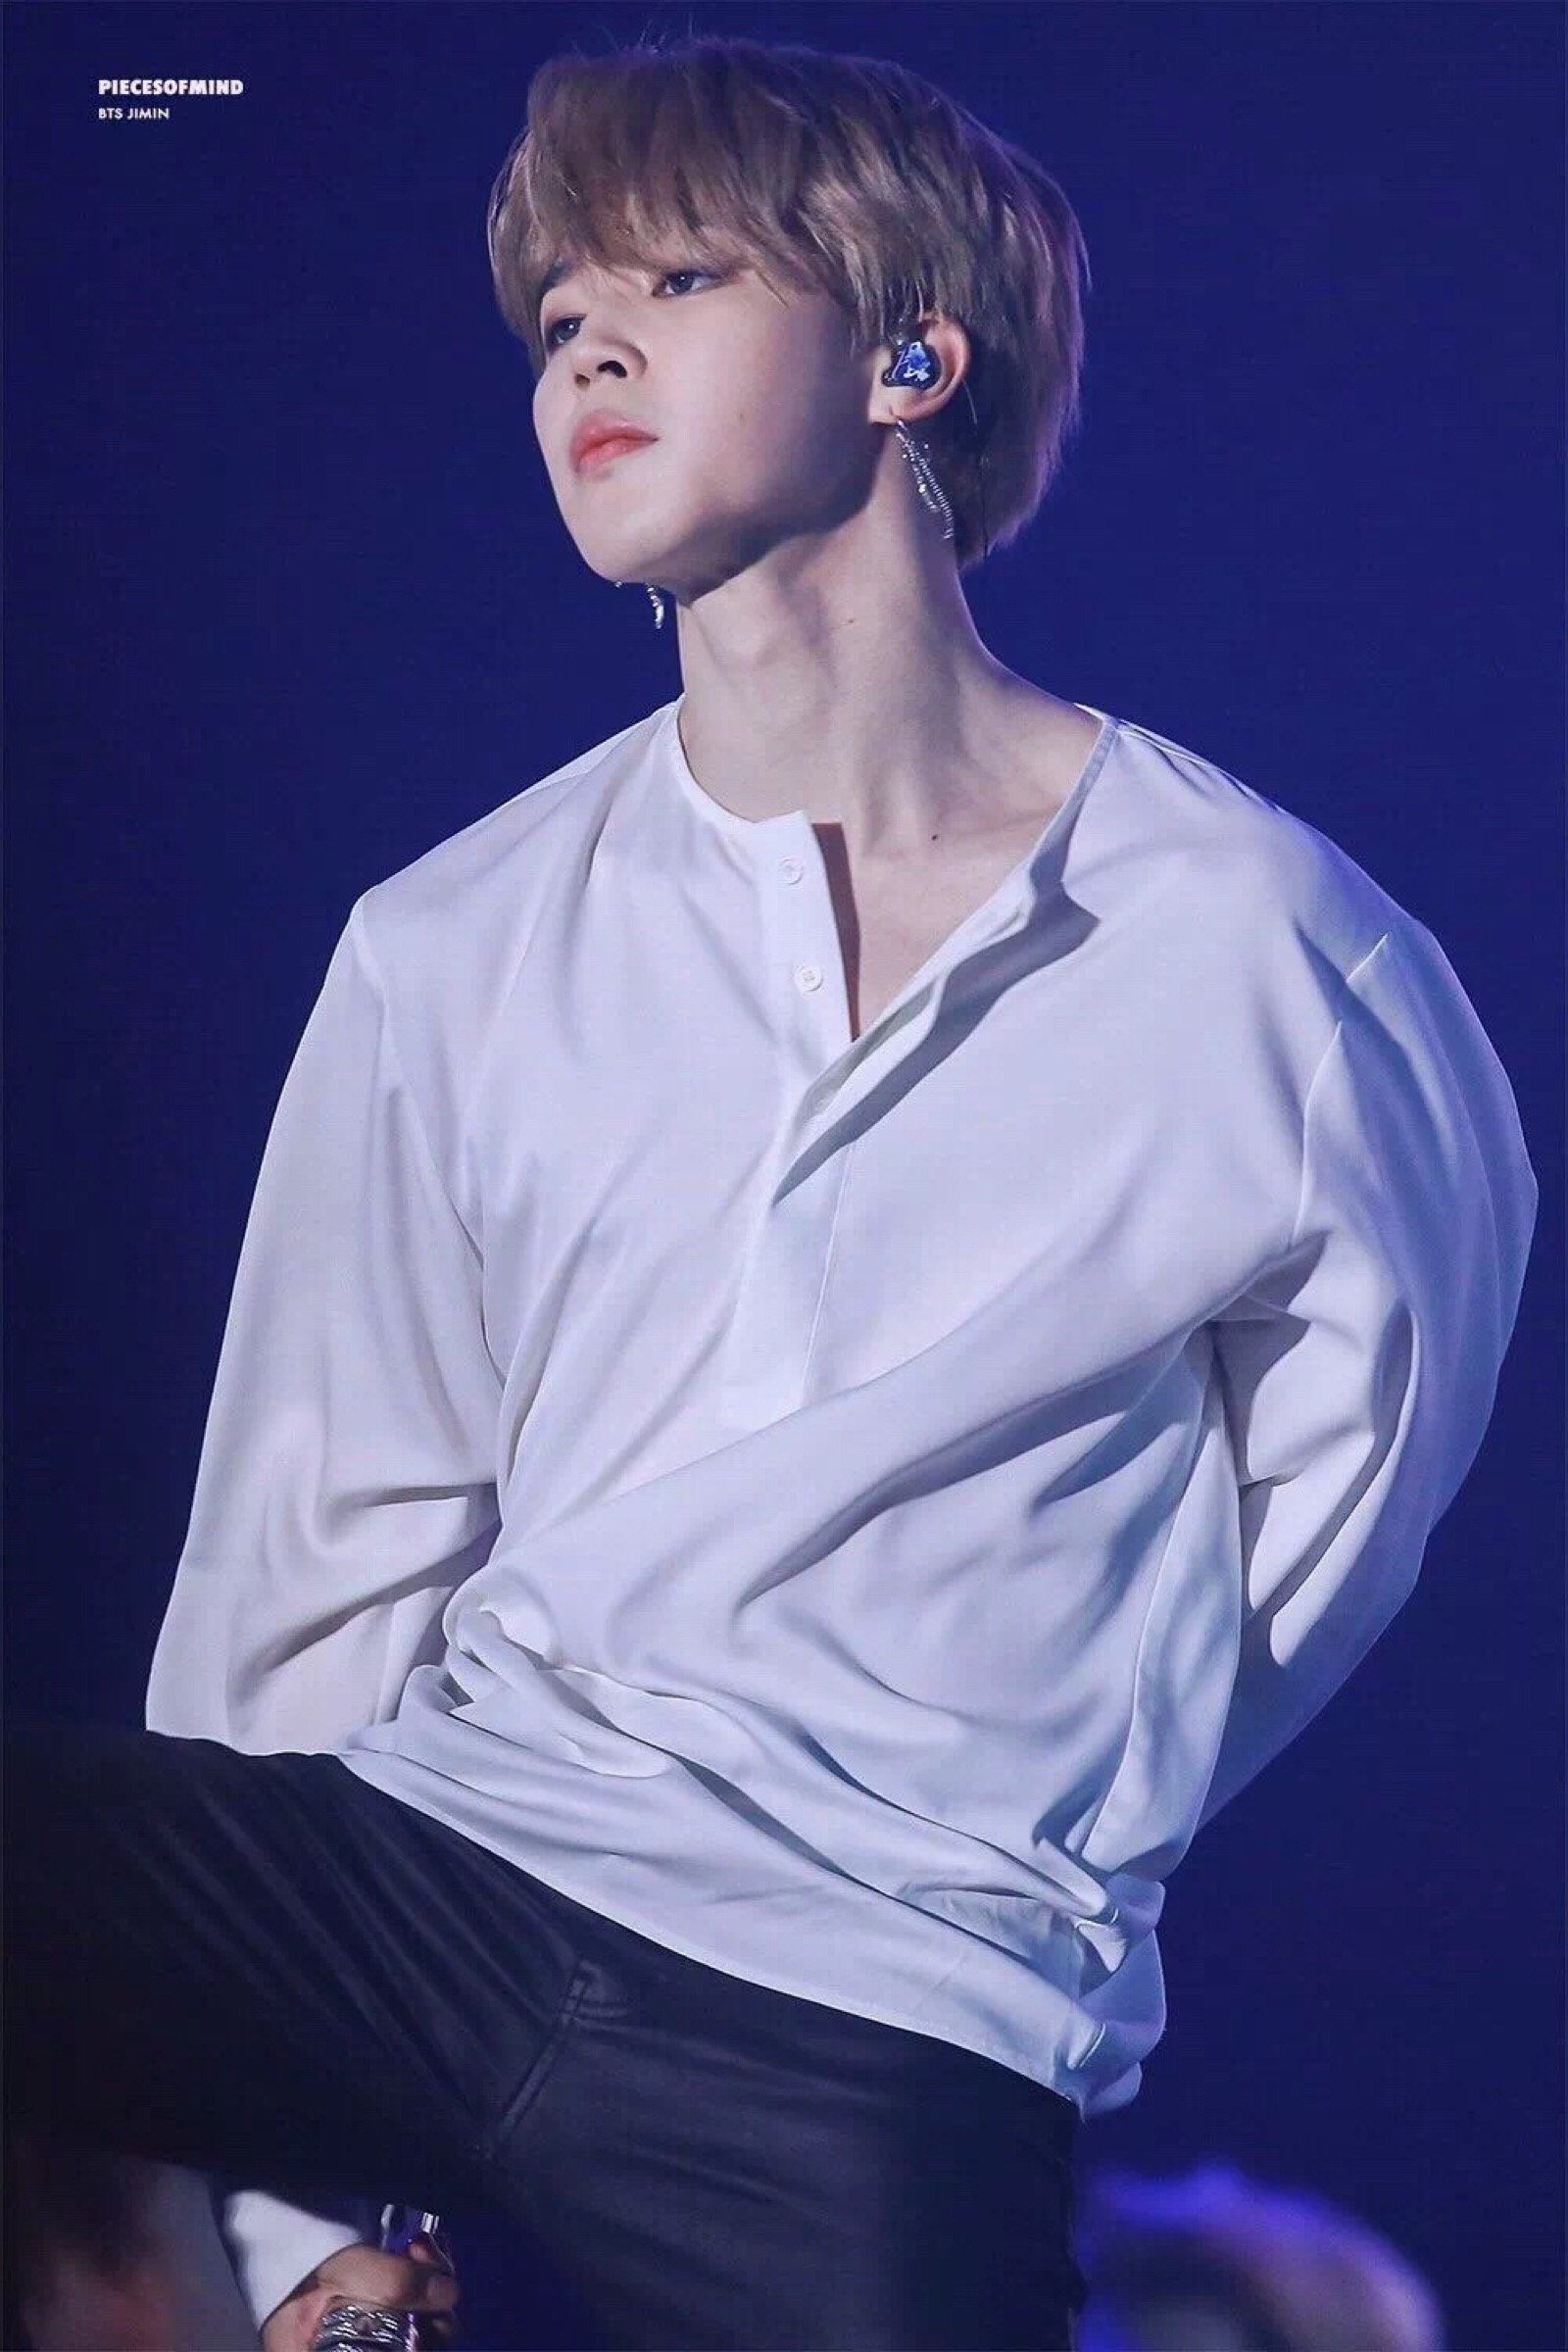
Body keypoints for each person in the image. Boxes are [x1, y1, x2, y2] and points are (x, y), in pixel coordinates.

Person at [2, 30, 1538, 2352]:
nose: (585, 351)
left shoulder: (1268, 955)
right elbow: (312, 1564)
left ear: (912, 357)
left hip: (867, 2023)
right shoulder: (450, 942)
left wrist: (1032, 1797)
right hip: (441, 1874)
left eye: (679, 280)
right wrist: (300, 2233)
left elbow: (1330, 1513)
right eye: (557, 316)